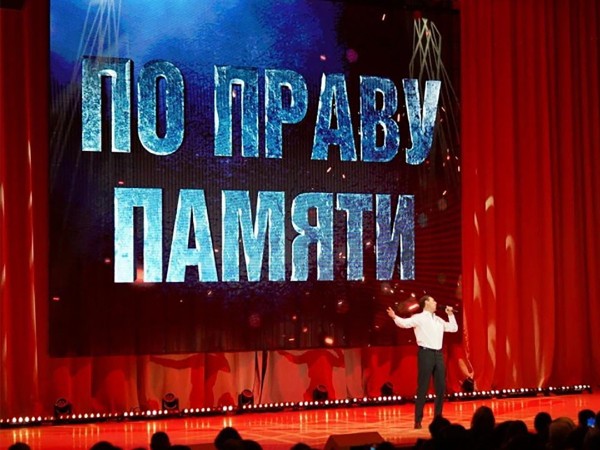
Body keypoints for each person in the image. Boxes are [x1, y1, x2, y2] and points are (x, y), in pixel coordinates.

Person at [386, 295, 458, 429]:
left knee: (441, 387)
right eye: (433, 300)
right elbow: (404, 323)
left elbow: (453, 328)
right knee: (423, 387)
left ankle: (438, 419)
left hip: (438, 354)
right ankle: (418, 420)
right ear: (426, 303)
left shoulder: (438, 319)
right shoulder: (419, 318)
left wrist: (450, 315)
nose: (435, 302)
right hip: (426, 354)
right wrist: (394, 317)